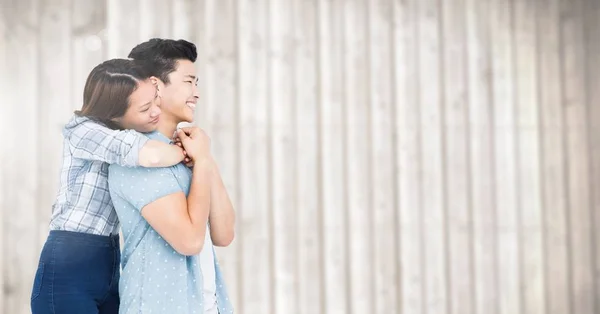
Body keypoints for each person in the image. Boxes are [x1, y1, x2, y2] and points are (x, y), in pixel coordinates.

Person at [31, 58, 189, 314]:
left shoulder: (132, 130)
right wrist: (191, 153)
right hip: (68, 270)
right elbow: (152, 156)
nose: (155, 112)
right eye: (145, 108)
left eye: (155, 99)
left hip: (109, 260)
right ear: (114, 114)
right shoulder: (82, 130)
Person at [107, 38, 235, 313]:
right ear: (155, 85)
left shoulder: (186, 151)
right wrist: (200, 161)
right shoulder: (137, 157)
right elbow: (189, 241)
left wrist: (205, 159)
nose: (196, 93)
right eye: (189, 81)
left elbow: (224, 234)